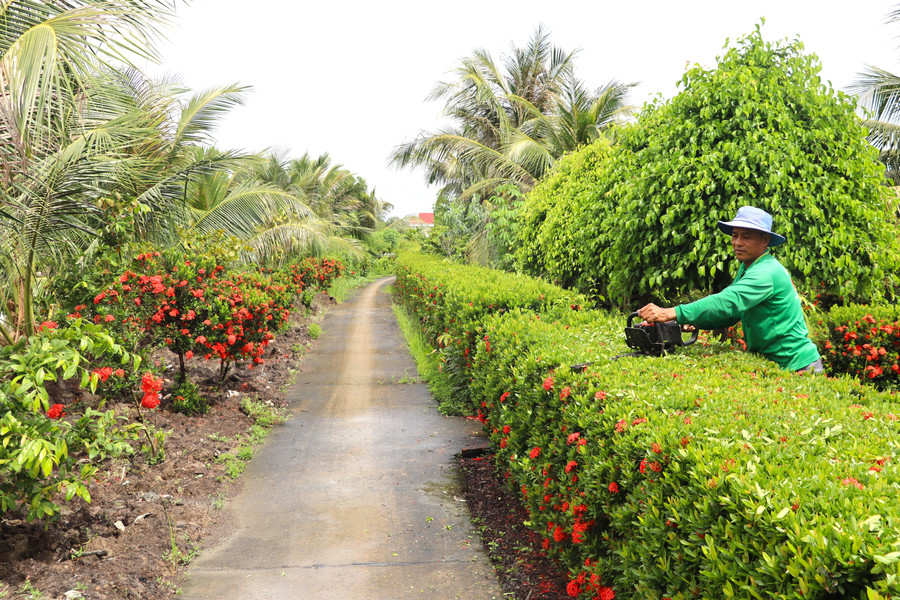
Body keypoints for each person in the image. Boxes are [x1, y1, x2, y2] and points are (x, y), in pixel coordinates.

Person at [637, 206, 823, 373]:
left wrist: (670, 312)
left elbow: (728, 301)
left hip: (797, 366)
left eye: (746, 237)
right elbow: (731, 314)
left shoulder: (766, 272)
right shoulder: (749, 266)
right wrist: (693, 320)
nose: (737, 242)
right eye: (735, 236)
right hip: (776, 364)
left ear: (765, 240)